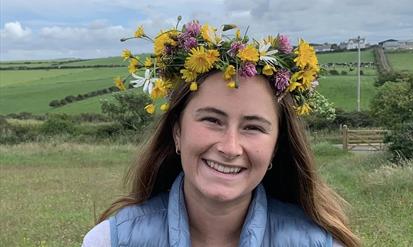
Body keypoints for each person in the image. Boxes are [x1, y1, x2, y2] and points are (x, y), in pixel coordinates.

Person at [82, 19, 360, 247]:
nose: (230, 147)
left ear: (276, 146)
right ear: (177, 132)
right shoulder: (108, 241)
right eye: (212, 120)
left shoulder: (321, 244)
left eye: (253, 127)